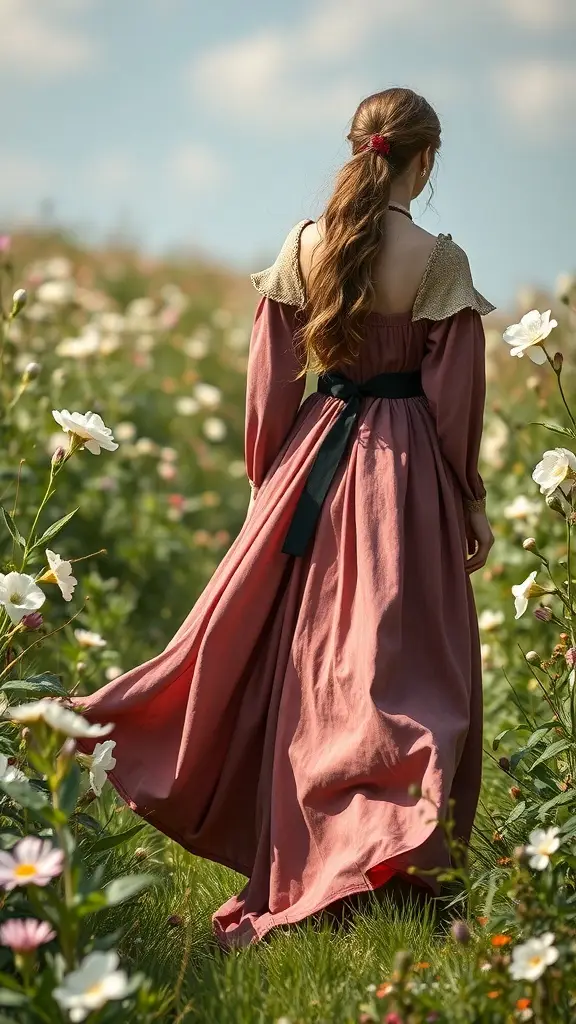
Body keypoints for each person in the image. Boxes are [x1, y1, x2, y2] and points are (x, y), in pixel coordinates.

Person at [73, 86, 495, 949]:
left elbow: (270, 383)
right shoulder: (439, 262)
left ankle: (325, 849)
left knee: (312, 667)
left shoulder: (305, 245)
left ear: (357, 148)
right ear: (425, 160)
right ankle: (388, 857)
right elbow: (453, 403)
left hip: (313, 463)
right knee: (403, 668)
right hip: (405, 476)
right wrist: (470, 498)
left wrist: (267, 482)